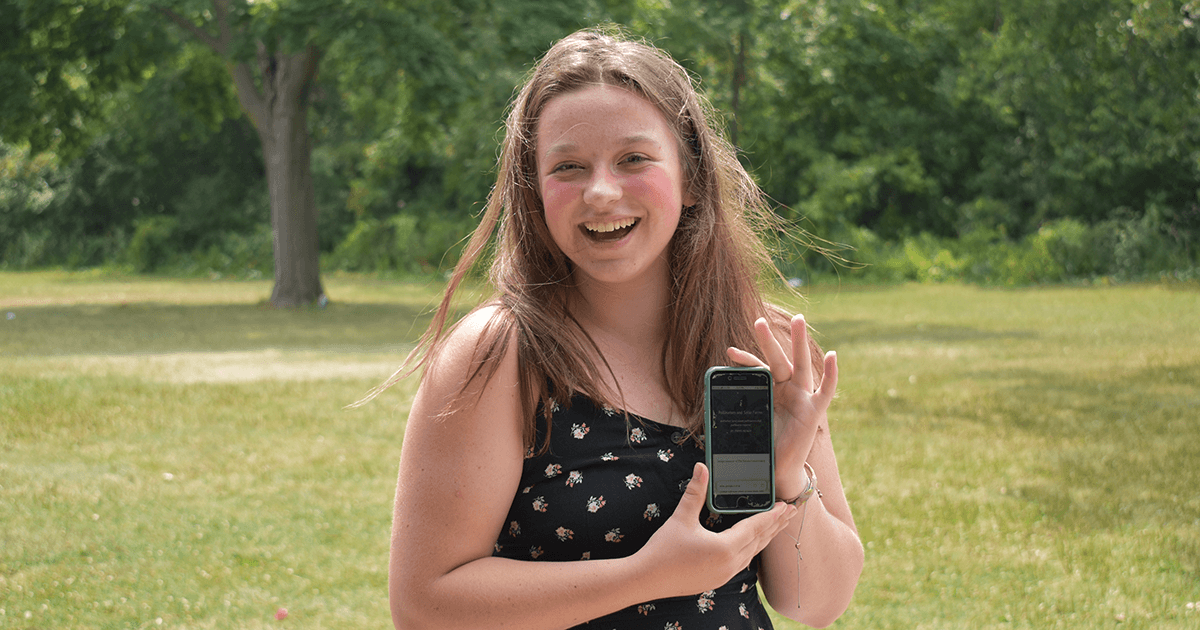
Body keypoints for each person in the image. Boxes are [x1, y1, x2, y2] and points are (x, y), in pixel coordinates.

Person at [379, 26, 864, 630]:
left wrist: (788, 475)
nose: (601, 191)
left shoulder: (759, 347)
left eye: (633, 159)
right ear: (533, 195)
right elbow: (425, 606)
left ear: (689, 177)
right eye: (569, 167)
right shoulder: (501, 355)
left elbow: (815, 604)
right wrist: (649, 573)